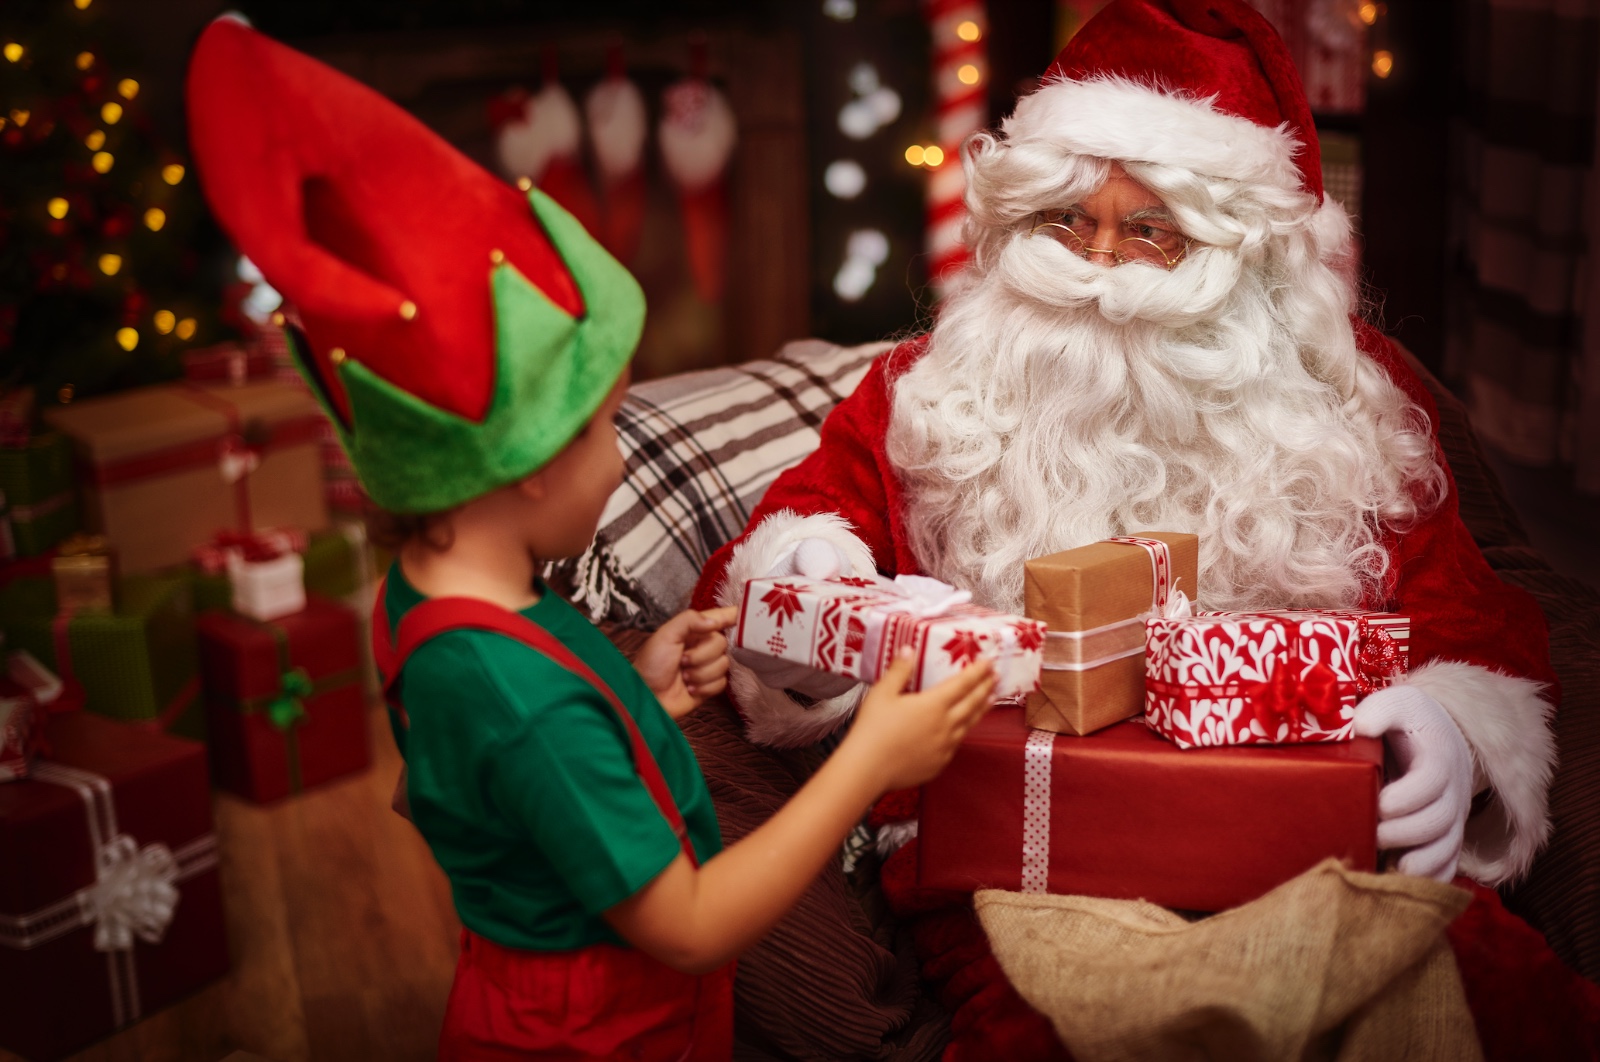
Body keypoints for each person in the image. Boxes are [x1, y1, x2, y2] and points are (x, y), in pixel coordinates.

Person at [692, 0, 1596, 1057]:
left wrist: (1451, 731)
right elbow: (799, 532)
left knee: (1479, 997)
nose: (1100, 268)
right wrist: (813, 586)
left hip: (1311, 839)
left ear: (1245, 258)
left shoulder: (1349, 405)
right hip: (1020, 861)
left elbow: (1470, 613)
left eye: (1150, 230)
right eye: (1068, 222)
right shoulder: (926, 394)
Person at [185, 18, 997, 1061]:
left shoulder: (433, 597)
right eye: (605, 426)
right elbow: (692, 925)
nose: (624, 456)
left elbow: (524, 783)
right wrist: (870, 760)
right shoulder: (525, 705)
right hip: (607, 1037)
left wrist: (643, 689)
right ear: (523, 466)